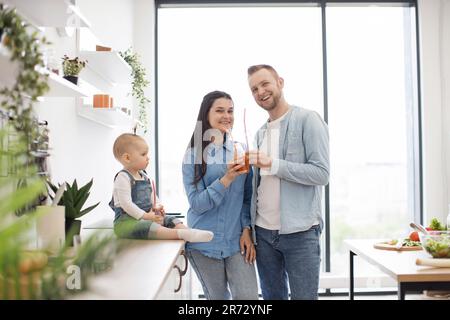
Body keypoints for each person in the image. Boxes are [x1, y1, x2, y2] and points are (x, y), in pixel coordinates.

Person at [247, 64, 330, 300]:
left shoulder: (308, 119)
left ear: (280, 82)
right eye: (254, 89)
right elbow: (257, 186)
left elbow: (321, 174)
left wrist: (272, 163)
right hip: (263, 234)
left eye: (265, 84)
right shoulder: (260, 133)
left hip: (301, 233)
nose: (260, 92)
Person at [182, 91, 258, 300]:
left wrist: (246, 229)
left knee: (248, 298)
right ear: (206, 114)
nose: (227, 116)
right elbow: (197, 204)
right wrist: (226, 179)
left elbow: (247, 196)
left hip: (237, 242)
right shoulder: (193, 156)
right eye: (220, 110)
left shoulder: (240, 150)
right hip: (204, 244)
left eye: (230, 111)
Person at [110, 133, 214, 243]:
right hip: (126, 223)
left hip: (147, 217)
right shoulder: (123, 177)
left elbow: (153, 197)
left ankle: (188, 231)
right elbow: (126, 204)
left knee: (169, 219)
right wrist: (146, 216)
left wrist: (157, 207)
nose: (148, 158)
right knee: (147, 227)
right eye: (143, 154)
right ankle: (181, 234)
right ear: (127, 158)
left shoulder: (145, 177)